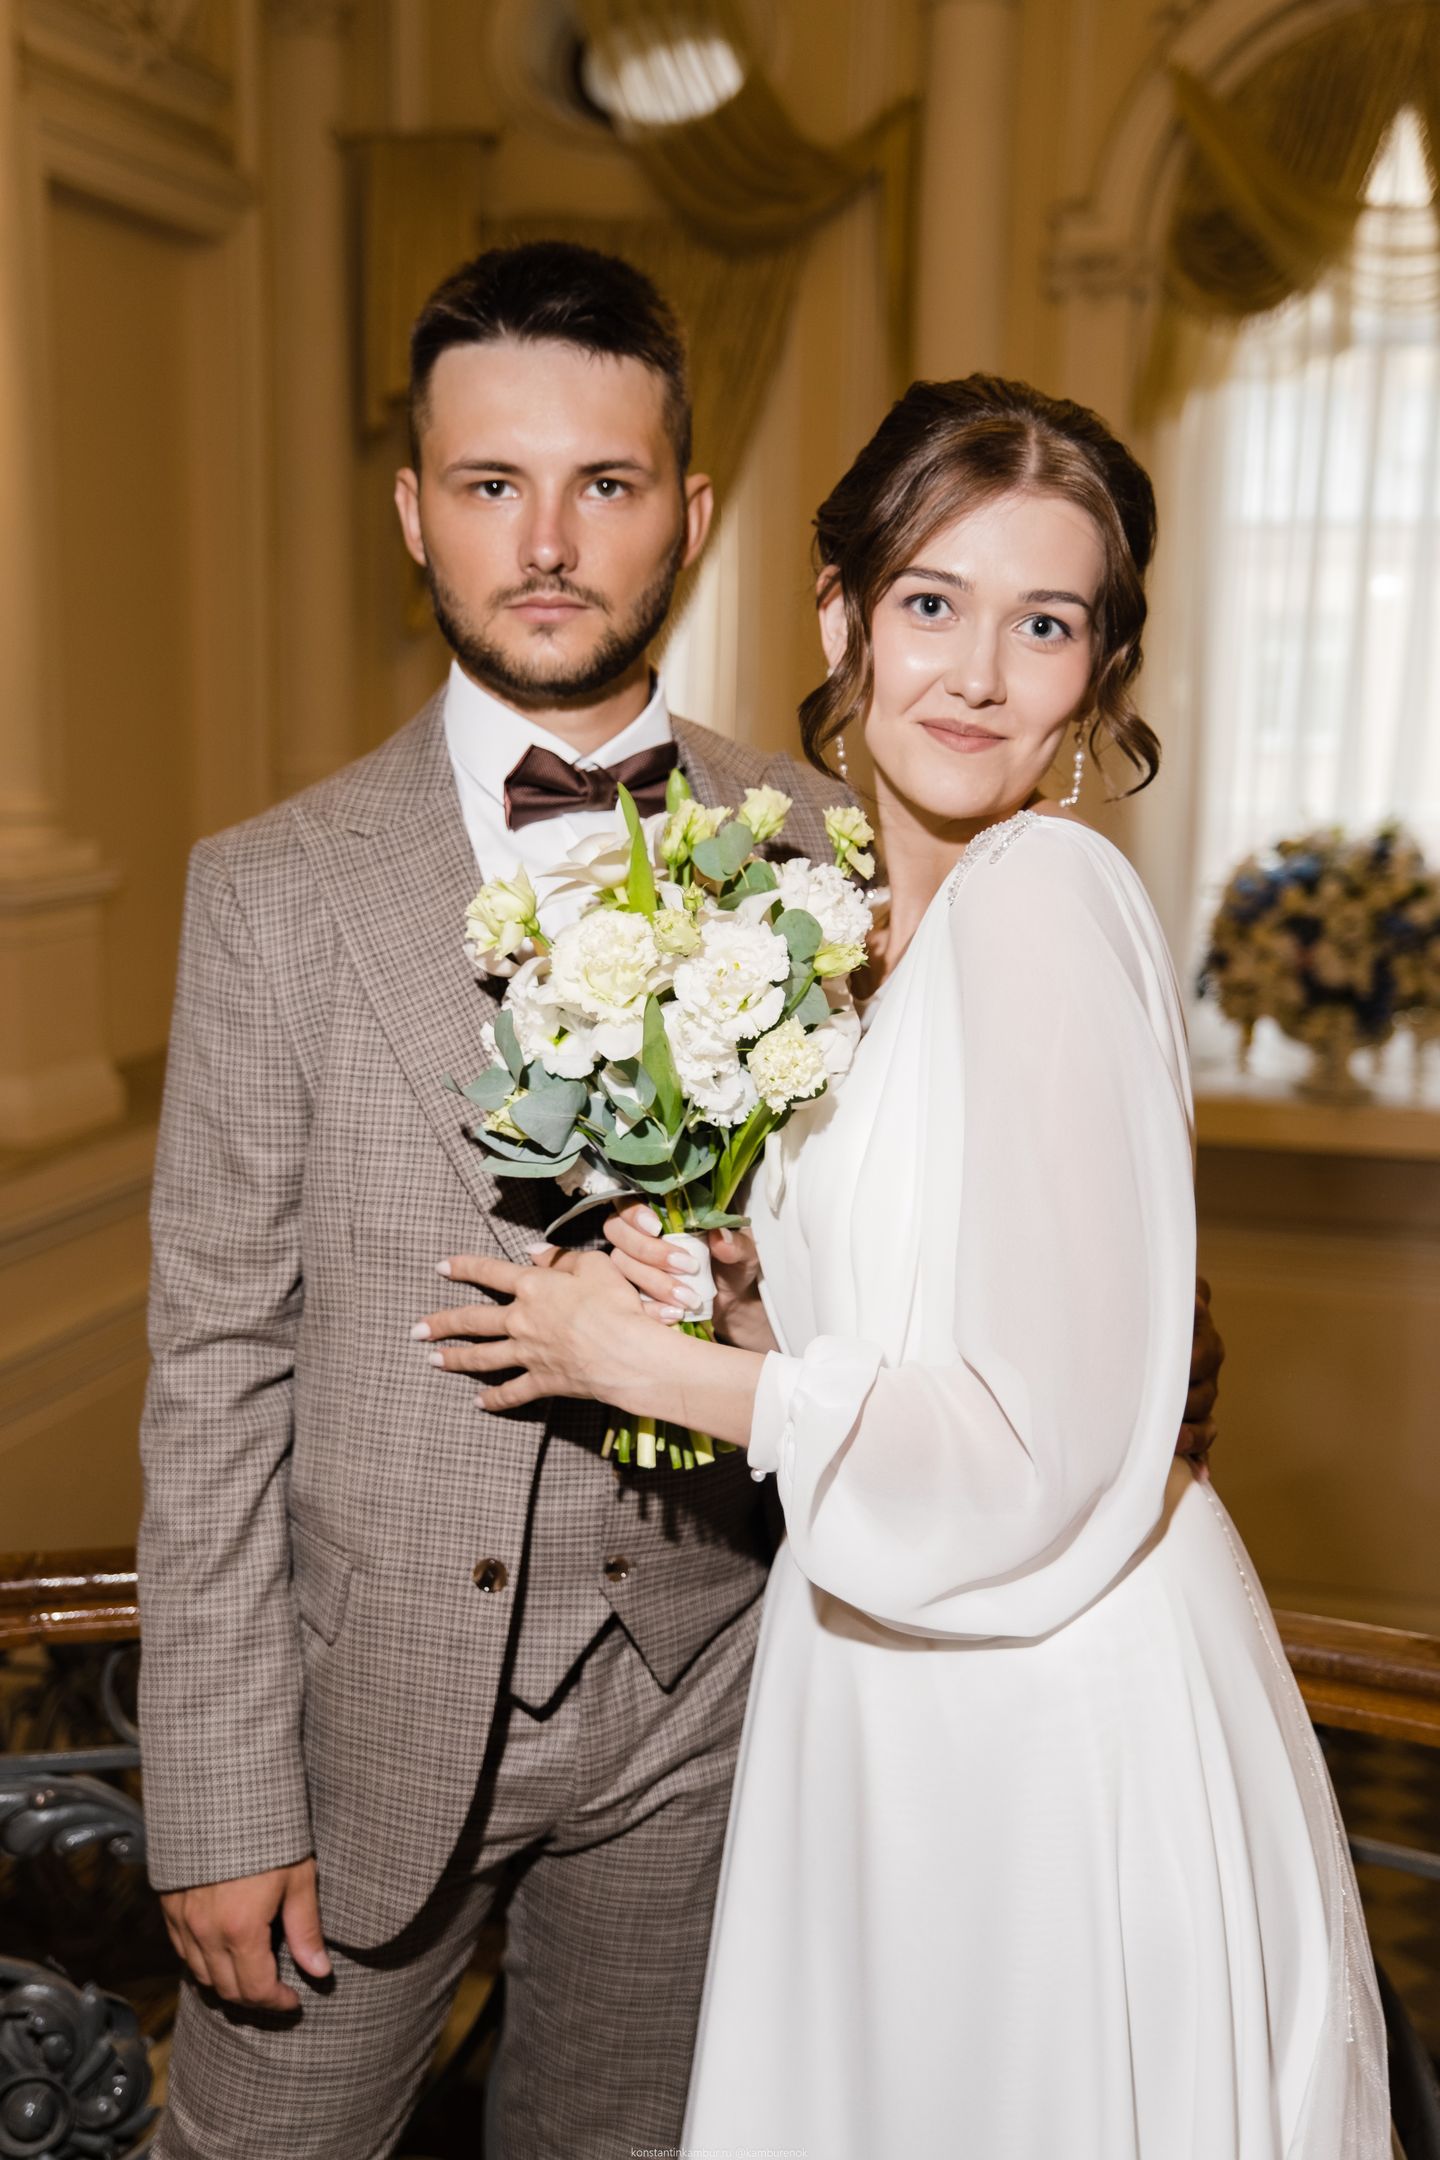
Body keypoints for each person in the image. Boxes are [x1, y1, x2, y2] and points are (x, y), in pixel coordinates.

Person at [139, 238, 1221, 2157]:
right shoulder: (271, 889)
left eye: (608, 484)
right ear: (414, 512)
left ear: (693, 518)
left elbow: (1032, 1270)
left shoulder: (853, 842)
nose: (549, 542)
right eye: (492, 483)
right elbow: (215, 1362)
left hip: (726, 1721)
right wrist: (221, 1797)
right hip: (369, 1734)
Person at [419, 376, 1386, 2158]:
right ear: (842, 615)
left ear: (1100, 674)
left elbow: (1024, 1444)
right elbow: (927, 1312)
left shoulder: (1042, 898)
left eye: (1047, 624)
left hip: (1034, 1705)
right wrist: (738, 1292)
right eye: (934, 602)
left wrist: (639, 1365)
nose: (979, 674)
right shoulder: (862, 925)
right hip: (895, 1672)